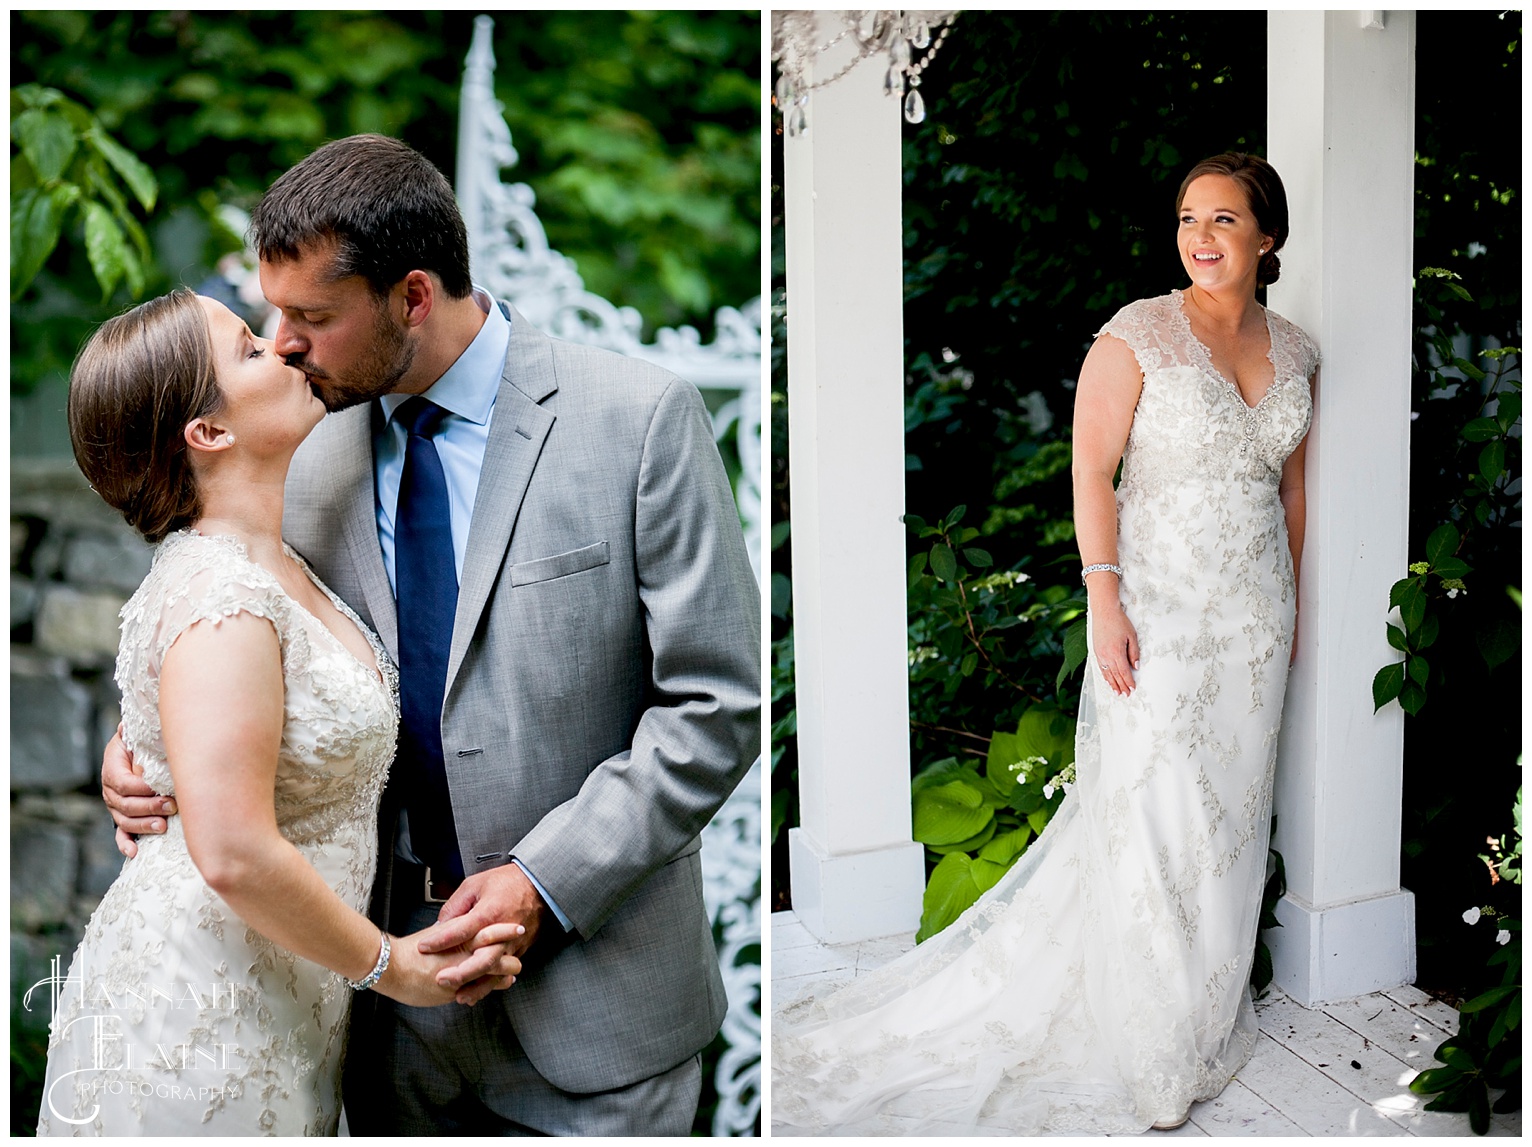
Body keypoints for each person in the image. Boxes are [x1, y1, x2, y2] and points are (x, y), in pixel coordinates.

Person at [101, 134, 761, 1135]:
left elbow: (716, 705)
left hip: (599, 1010)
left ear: (412, 295)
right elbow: (238, 634)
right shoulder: (299, 446)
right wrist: (149, 747)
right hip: (374, 1020)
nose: (282, 343)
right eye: (272, 317)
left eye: (312, 317)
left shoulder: (635, 421)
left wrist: (546, 878)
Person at [771, 152, 1319, 1135]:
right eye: (1188, 216)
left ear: (1265, 238)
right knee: (1154, 815)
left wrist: (1294, 608)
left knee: (1230, 821)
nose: (1199, 236)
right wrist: (1102, 601)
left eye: (1223, 219)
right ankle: (1150, 1040)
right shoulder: (1137, 335)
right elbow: (1088, 470)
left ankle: (1204, 1013)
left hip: (1252, 621)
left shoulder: (1299, 352)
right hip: (1154, 611)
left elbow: (1289, 494)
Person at [38, 289, 523, 1135]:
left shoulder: (279, 559)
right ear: (209, 432)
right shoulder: (220, 594)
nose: (285, 346)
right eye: (250, 349)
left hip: (286, 999)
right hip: (200, 1010)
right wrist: (393, 966)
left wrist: (140, 746)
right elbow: (229, 849)